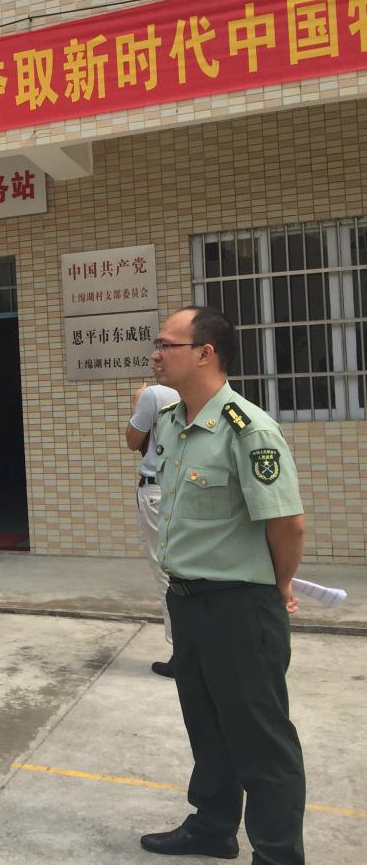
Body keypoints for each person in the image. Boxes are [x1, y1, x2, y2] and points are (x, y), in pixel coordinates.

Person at [139, 306, 306, 864]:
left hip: (240, 605)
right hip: (187, 599)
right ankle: (213, 827)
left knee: (260, 738)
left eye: (166, 345)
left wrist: (277, 586)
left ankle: (277, 854)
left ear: (205, 353)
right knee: (206, 724)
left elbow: (287, 524)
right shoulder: (172, 422)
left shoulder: (248, 428)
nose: (155, 355)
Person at [126, 380, 181, 677]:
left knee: (166, 573)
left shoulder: (153, 394)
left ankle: (181, 653)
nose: (156, 359)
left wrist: (137, 404)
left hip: (157, 490)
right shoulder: (199, 392)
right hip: (184, 488)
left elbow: (133, 441)